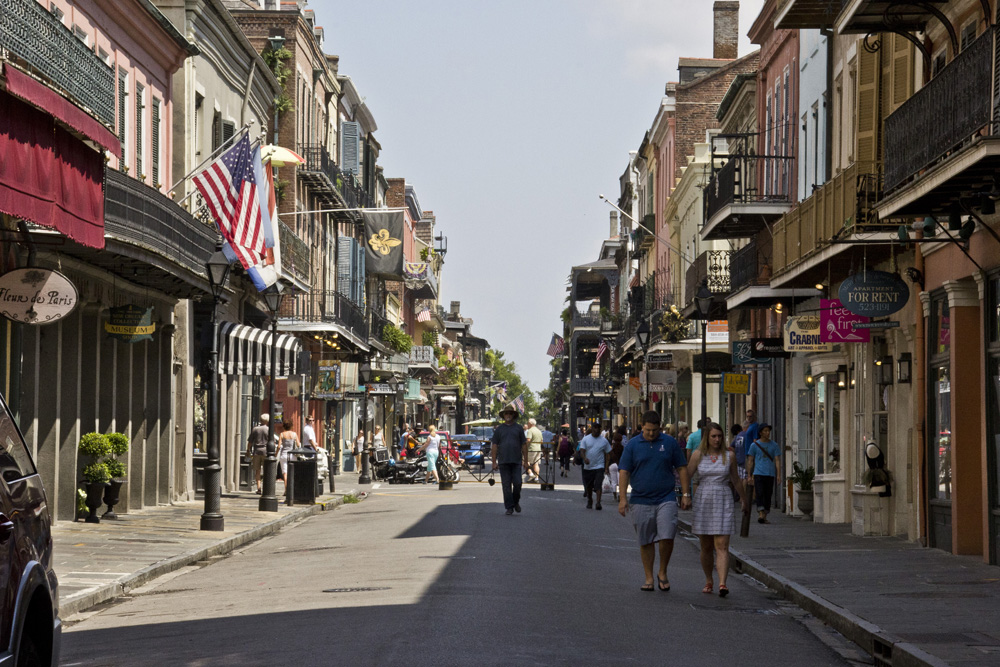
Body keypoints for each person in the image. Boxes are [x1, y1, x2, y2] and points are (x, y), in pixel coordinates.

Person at [618, 410, 691, 592]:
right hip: (641, 498)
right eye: (648, 430)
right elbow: (624, 472)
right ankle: (649, 577)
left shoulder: (669, 443)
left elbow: (682, 468)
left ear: (660, 427)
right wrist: (622, 499)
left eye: (655, 430)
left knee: (667, 535)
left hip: (666, 497)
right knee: (646, 540)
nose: (652, 434)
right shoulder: (633, 445)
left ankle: (663, 571)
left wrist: (685, 494)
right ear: (642, 426)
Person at [687, 422, 749, 597]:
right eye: (713, 436)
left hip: (723, 498)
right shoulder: (698, 455)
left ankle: (722, 583)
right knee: (706, 546)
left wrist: (744, 500)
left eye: (719, 436)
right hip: (704, 498)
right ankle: (709, 580)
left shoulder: (729, 456)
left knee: (721, 545)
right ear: (707, 437)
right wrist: (684, 494)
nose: (717, 439)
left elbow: (736, 479)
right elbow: (687, 475)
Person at [491, 406, 528, 515]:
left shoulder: (519, 428)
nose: (508, 415)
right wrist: (494, 462)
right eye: (506, 413)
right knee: (506, 485)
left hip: (516, 461)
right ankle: (509, 507)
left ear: (513, 415)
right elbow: (494, 445)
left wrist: (526, 461)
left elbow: (524, 445)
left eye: (510, 414)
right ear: (503, 415)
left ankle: (515, 501)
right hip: (503, 461)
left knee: (518, 483)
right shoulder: (499, 429)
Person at [746, 423, 782, 524]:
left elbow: (777, 460)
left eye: (768, 431)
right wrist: (749, 474)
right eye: (765, 431)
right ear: (760, 433)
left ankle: (764, 515)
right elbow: (750, 460)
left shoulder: (774, 445)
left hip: (770, 473)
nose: (767, 433)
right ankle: (761, 513)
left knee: (768, 494)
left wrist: (779, 474)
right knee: (759, 493)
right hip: (758, 473)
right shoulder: (754, 445)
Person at [578, 422, 611, 510]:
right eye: (595, 428)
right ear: (592, 428)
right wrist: (584, 458)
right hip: (588, 467)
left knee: (598, 484)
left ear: (600, 429)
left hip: (599, 466)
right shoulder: (586, 439)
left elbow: (608, 454)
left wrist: (606, 467)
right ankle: (590, 500)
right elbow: (582, 451)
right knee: (589, 485)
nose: (596, 430)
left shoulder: (604, 440)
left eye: (598, 428)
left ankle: (598, 502)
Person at [247, 413, 270, 494]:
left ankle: (259, 488)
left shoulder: (255, 429)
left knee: (257, 471)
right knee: (267, 470)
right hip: (266, 452)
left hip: (256, 451)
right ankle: (266, 488)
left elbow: (250, 441)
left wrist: (248, 450)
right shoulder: (269, 430)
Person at [276, 420, 300, 487]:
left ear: (284, 426)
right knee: (292, 472)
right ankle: (292, 489)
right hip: (292, 455)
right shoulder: (294, 434)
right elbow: (298, 445)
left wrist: (275, 454)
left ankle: (286, 489)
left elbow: (278, 446)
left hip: (284, 455)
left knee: (285, 473)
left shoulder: (282, 434)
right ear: (291, 426)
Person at [607, 431, 624, 501]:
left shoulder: (612, 447)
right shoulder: (622, 447)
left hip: (612, 465)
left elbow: (608, 457)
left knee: (613, 481)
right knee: (620, 481)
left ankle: (614, 496)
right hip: (620, 465)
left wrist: (606, 467)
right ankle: (620, 495)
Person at [524, 418, 543, 483]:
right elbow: (541, 441)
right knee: (536, 464)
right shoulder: (539, 431)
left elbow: (528, 440)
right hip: (538, 449)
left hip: (531, 449)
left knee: (525, 461)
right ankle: (536, 478)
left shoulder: (530, 431)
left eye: (528, 423)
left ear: (531, 424)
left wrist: (524, 445)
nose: (527, 424)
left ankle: (531, 474)